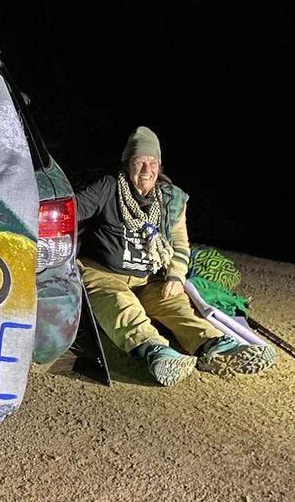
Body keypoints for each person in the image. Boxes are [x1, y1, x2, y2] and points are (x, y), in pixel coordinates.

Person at [74, 126, 275, 386]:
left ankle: (214, 346)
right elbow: (71, 211)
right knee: (121, 305)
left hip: (148, 278)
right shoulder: (108, 187)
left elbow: (180, 242)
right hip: (102, 273)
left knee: (177, 305)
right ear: (127, 164)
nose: (146, 169)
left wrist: (176, 276)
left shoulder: (170, 199)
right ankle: (155, 351)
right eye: (139, 162)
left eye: (152, 162)